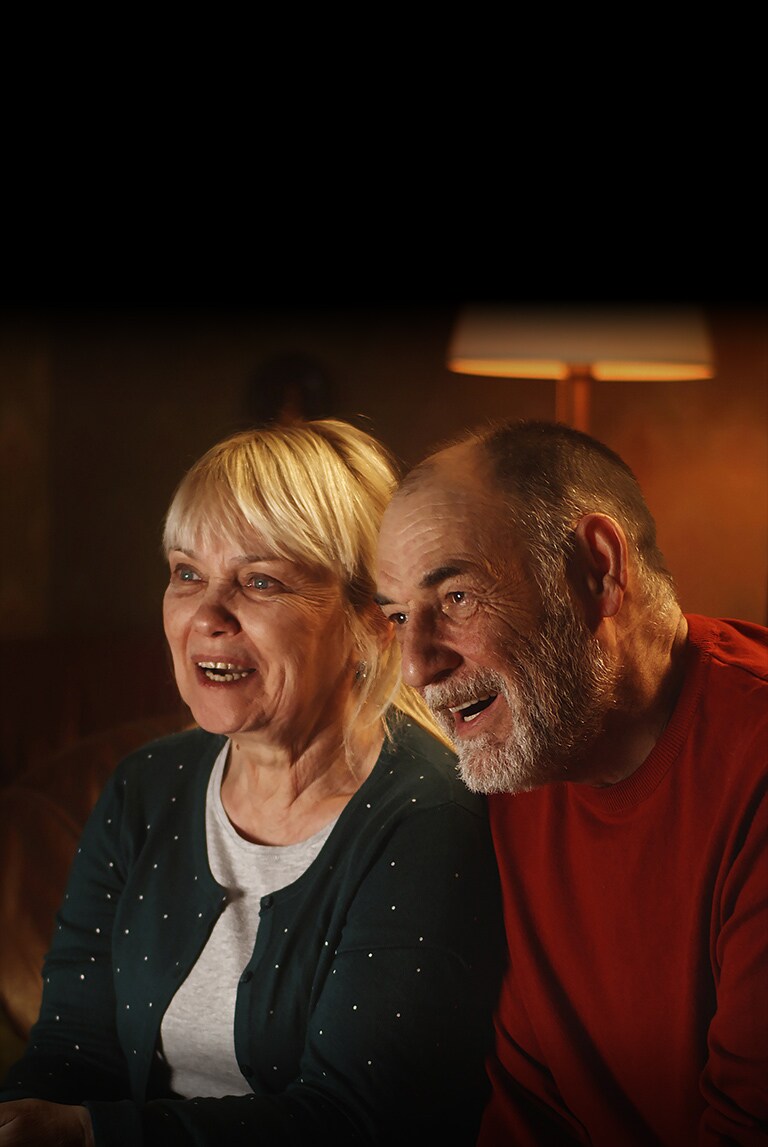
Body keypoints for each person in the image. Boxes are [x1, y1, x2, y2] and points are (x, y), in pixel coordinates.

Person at [0, 419, 505, 1147]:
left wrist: (87, 1134)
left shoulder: (430, 819)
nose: (206, 614)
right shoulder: (145, 786)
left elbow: (354, 1120)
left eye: (260, 580)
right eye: (186, 572)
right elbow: (71, 1049)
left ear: (372, 623)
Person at [375, 418, 768, 1147]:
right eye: (399, 615)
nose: (415, 666)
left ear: (597, 567)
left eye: (456, 597)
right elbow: (528, 1111)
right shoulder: (531, 752)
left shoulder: (753, 765)